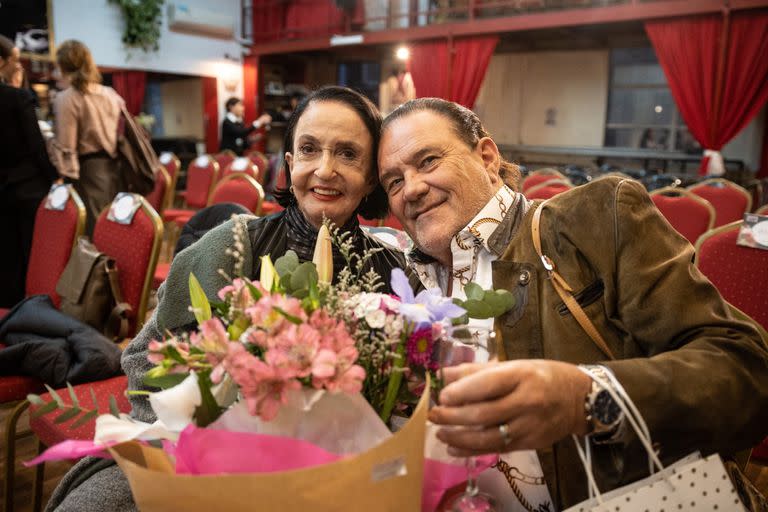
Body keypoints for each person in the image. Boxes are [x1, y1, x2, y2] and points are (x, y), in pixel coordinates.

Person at [377, 98, 768, 510]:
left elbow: (747, 369)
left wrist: (586, 398)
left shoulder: (593, 219)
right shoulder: (400, 282)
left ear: (487, 157)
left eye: (428, 160)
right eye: (394, 182)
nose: (413, 188)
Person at [46, 85, 415, 512]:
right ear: (290, 163)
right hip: (193, 454)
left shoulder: (391, 270)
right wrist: (192, 445)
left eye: (348, 154)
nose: (325, 169)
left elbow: (401, 400)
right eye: (310, 150)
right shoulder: (234, 245)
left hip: (338, 473)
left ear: (371, 176)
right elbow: (145, 357)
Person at [0, 35, 58, 307]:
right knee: (31, 257)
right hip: (27, 188)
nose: (19, 65)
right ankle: (29, 312)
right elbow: (36, 146)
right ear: (2, 62)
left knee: (7, 255)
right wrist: (54, 179)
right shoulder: (18, 97)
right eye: (14, 60)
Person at [50, 39, 125, 235]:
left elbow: (66, 147)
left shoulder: (67, 98)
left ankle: (97, 267)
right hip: (114, 169)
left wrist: (63, 182)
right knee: (111, 229)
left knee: (92, 234)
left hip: (86, 172)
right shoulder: (110, 94)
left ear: (63, 67)